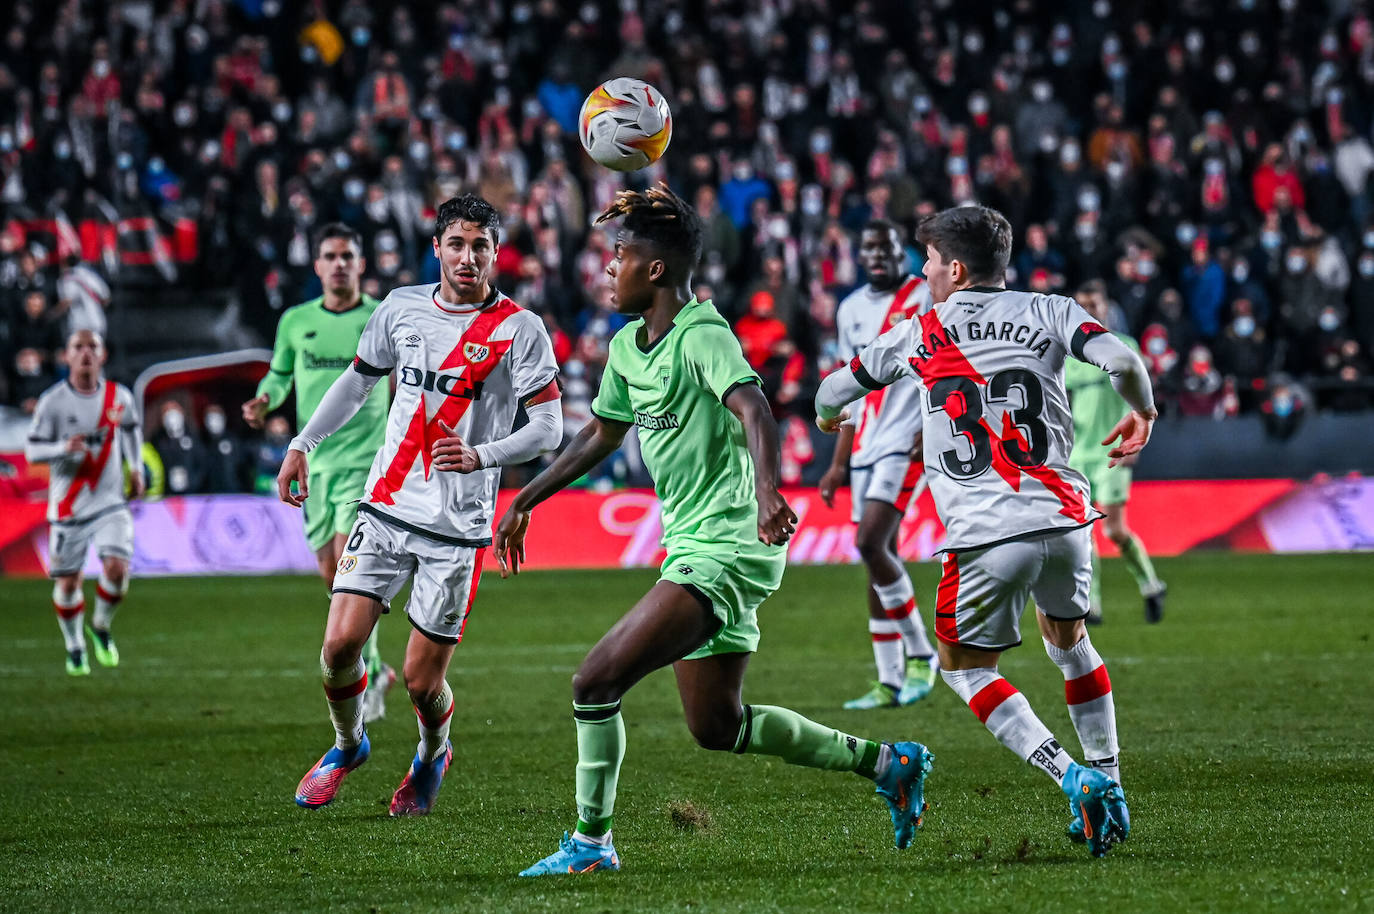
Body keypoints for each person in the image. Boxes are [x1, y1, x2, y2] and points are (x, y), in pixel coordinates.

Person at [497, 184, 933, 878]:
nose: (607, 269)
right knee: (717, 726)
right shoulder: (627, 348)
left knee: (594, 681)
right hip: (698, 544)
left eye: (620, 256)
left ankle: (589, 845)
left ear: (658, 269)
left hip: (729, 546)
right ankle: (889, 764)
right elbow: (600, 434)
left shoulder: (703, 334)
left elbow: (753, 405)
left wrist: (766, 491)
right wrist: (528, 499)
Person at [816, 205, 1156, 858]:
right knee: (1069, 642)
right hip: (1065, 522)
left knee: (962, 668)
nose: (924, 272)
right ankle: (1111, 782)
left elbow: (835, 389)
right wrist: (1143, 413)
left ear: (958, 268)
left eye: (932, 262)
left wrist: (831, 421)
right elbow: (1122, 359)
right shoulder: (1051, 311)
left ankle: (1073, 776)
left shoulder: (921, 330)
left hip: (985, 535)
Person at [277, 195, 562, 817]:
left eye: (480, 246)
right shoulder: (401, 306)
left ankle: (434, 752)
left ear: (495, 252)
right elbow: (357, 380)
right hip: (384, 507)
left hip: (456, 531)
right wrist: (303, 443)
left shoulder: (520, 329)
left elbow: (548, 428)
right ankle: (348, 745)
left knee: (420, 681)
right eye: (456, 245)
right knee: (338, 650)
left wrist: (485, 455)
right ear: (436, 248)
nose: (467, 257)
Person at [243, 223, 398, 723]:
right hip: (314, 462)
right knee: (332, 576)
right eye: (329, 256)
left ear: (360, 264)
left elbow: (404, 381)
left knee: (350, 571)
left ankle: (369, 672)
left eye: (346, 255)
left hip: (367, 462)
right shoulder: (295, 321)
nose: (338, 264)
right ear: (316, 266)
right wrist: (266, 398)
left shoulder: (380, 316)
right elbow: (280, 371)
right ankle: (375, 665)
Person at [818, 219, 939, 710]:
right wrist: (836, 464)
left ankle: (922, 655)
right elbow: (850, 389)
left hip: (904, 440)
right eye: (868, 248)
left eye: (886, 248)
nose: (877, 256)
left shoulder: (924, 295)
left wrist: (930, 429)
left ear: (901, 254)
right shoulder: (848, 309)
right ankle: (888, 681)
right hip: (866, 443)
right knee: (875, 558)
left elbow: (944, 364)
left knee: (869, 542)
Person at [23, 330, 144, 675]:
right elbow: (32, 449)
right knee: (68, 584)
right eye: (79, 347)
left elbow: (132, 429)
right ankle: (75, 646)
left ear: (103, 355)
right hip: (68, 509)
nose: (86, 353)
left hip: (110, 502)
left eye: (93, 346)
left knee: (118, 569)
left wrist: (135, 467)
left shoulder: (118, 396)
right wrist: (63, 448)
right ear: (66, 356)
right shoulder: (53, 402)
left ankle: (101, 627)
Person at [1067, 284, 1167, 623]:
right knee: (1083, 532)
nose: (1089, 309)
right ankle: (1091, 604)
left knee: (1113, 531)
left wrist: (1139, 433)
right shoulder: (1069, 354)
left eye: (1093, 303)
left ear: (1105, 306)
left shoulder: (1125, 346)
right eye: (1083, 304)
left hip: (1114, 451)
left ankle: (1151, 584)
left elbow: (1139, 395)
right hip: (1078, 453)